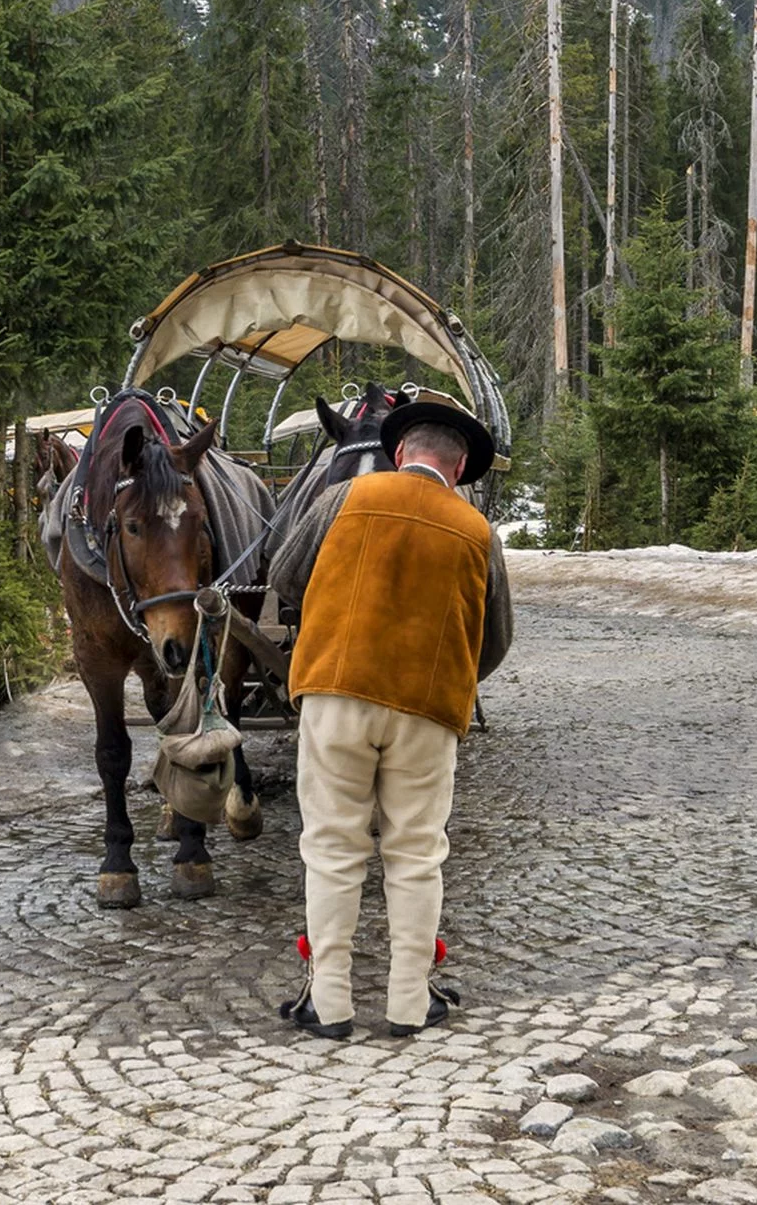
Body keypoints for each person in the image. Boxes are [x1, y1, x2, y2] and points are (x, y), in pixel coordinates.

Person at [266, 398, 513, 1039]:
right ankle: (408, 1002)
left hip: (335, 692)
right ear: (459, 470)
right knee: (416, 854)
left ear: (401, 453)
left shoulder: (344, 498)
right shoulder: (477, 531)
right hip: (428, 712)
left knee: (332, 847)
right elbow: (496, 637)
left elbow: (285, 578)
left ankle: (330, 1000)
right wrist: (442, 673)